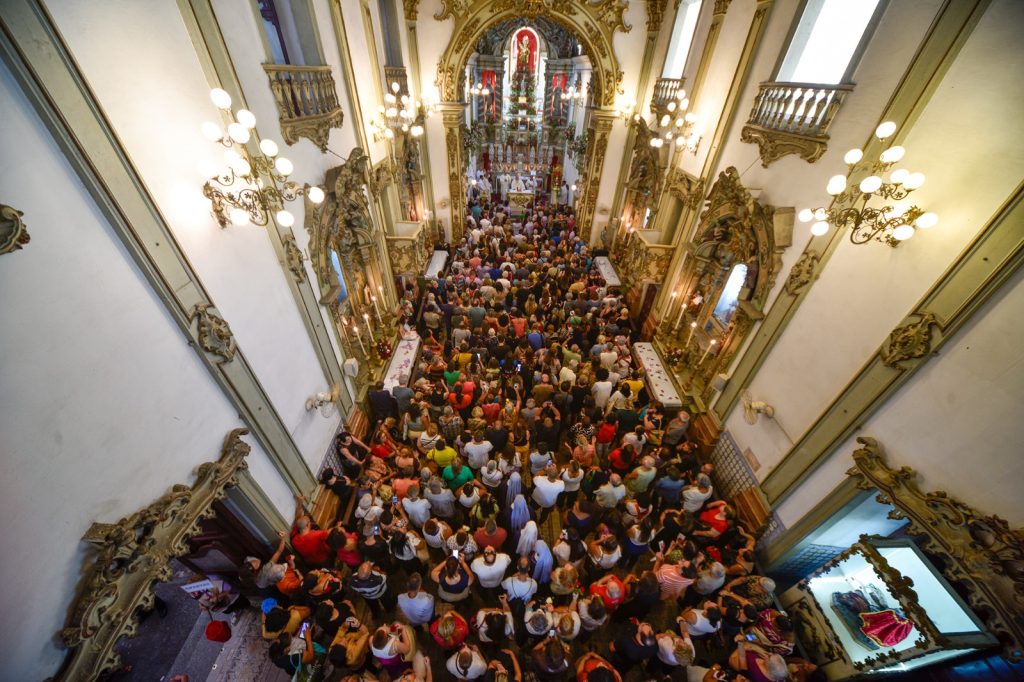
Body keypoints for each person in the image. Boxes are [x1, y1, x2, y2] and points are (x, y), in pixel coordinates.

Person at [290, 495, 330, 567]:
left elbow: (298, 520)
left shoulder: (294, 541)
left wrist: (299, 504)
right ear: (308, 525)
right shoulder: (318, 535)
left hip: (311, 564)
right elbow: (330, 535)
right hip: (324, 560)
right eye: (310, 522)